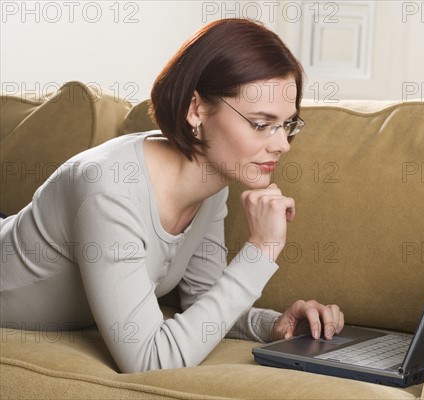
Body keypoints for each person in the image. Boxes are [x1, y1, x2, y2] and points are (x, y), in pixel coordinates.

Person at [0, 18, 344, 373]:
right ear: (196, 109)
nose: (282, 145)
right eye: (261, 124)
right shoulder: (109, 188)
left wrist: (275, 326)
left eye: (287, 125)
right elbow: (149, 360)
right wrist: (260, 252)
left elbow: (204, 301)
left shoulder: (211, 186)